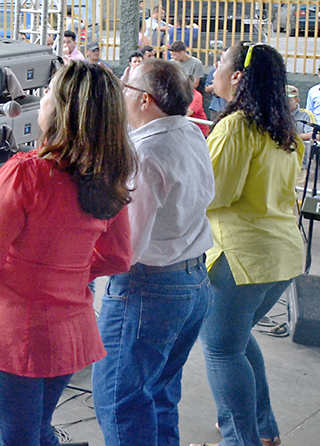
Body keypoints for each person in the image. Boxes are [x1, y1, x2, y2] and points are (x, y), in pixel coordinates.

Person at [0, 61, 134, 446]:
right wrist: (67, 271)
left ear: (63, 109)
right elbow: (118, 256)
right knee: (36, 429)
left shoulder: (26, 174)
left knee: (14, 436)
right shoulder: (107, 177)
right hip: (68, 328)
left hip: (14, 333)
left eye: (48, 91)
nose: (41, 98)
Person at [93, 58, 214, 446]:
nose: (120, 97)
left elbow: (124, 248)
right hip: (192, 280)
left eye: (125, 89)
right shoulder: (191, 132)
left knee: (119, 402)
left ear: (145, 100)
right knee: (159, 395)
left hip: (150, 289)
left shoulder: (145, 155)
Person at [194, 43, 303, 446]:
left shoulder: (237, 125)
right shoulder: (281, 126)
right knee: (237, 340)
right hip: (281, 254)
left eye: (221, 63)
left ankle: (242, 440)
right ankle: (264, 430)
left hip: (241, 257)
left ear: (238, 77)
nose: (214, 69)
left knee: (221, 349)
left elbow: (213, 193)